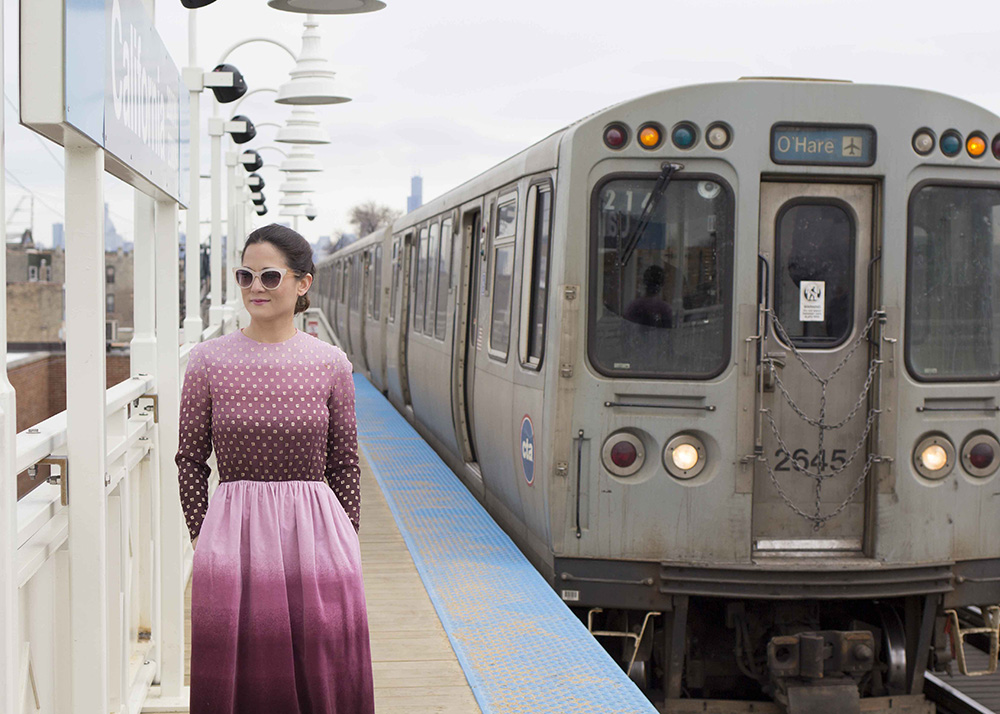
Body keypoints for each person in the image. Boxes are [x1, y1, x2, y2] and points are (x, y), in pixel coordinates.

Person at [175, 224, 375, 713]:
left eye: (268, 276)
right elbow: (190, 458)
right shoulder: (206, 361)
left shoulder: (331, 364)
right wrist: (205, 535)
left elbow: (345, 461)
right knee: (241, 674)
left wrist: (345, 537)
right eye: (245, 276)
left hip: (318, 537)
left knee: (321, 669)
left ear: (303, 283)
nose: (255, 288)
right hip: (233, 538)